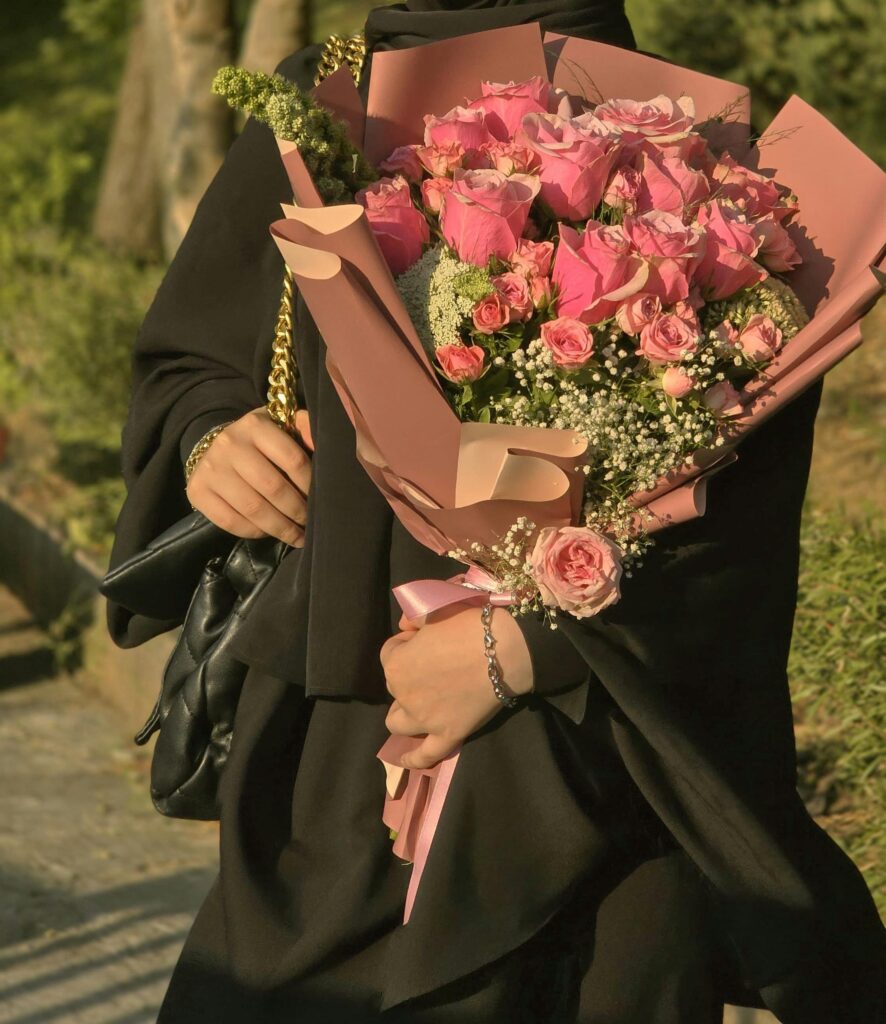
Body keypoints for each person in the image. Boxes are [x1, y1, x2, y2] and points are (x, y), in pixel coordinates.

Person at [106, 2, 886, 1021]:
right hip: (338, 767)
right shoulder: (320, 101)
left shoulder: (692, 146)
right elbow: (190, 361)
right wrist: (214, 442)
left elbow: (738, 524)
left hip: (601, 781)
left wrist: (525, 648)